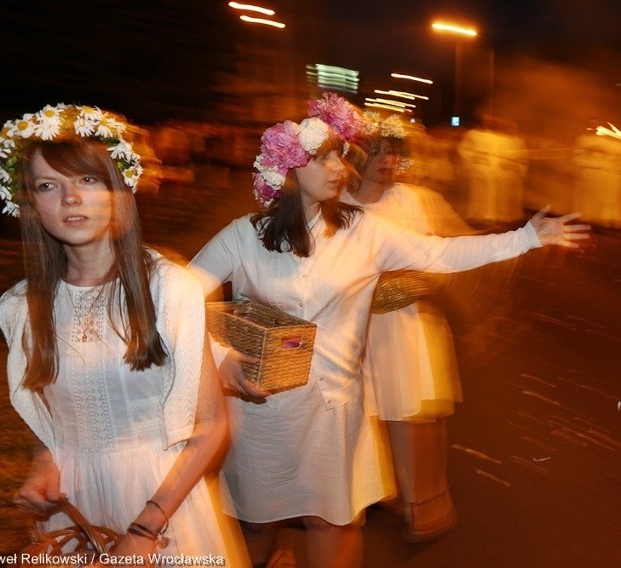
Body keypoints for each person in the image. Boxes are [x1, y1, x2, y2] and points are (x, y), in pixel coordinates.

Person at [188, 93, 590, 568]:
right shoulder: (244, 234)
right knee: (256, 522)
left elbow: (441, 254)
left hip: (334, 411)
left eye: (341, 155)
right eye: (324, 157)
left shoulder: (366, 231)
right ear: (291, 172)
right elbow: (182, 295)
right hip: (262, 411)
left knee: (330, 521)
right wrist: (221, 359)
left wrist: (525, 238)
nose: (341, 166)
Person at [0, 103, 249, 566]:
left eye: (87, 180)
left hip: (161, 501)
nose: (70, 198)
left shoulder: (169, 289)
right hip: (75, 507)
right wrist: (44, 463)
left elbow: (211, 428)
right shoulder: (19, 307)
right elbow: (49, 414)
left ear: (117, 193)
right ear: (32, 205)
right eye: (49, 186)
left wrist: (145, 527)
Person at [341, 111, 467, 543]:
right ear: (356, 156)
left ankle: (423, 503)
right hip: (352, 328)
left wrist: (417, 280)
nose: (387, 159)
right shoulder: (337, 203)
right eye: (376, 150)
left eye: (393, 151)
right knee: (358, 412)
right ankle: (371, 491)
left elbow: (436, 260)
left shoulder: (412, 200)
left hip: (404, 324)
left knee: (410, 411)